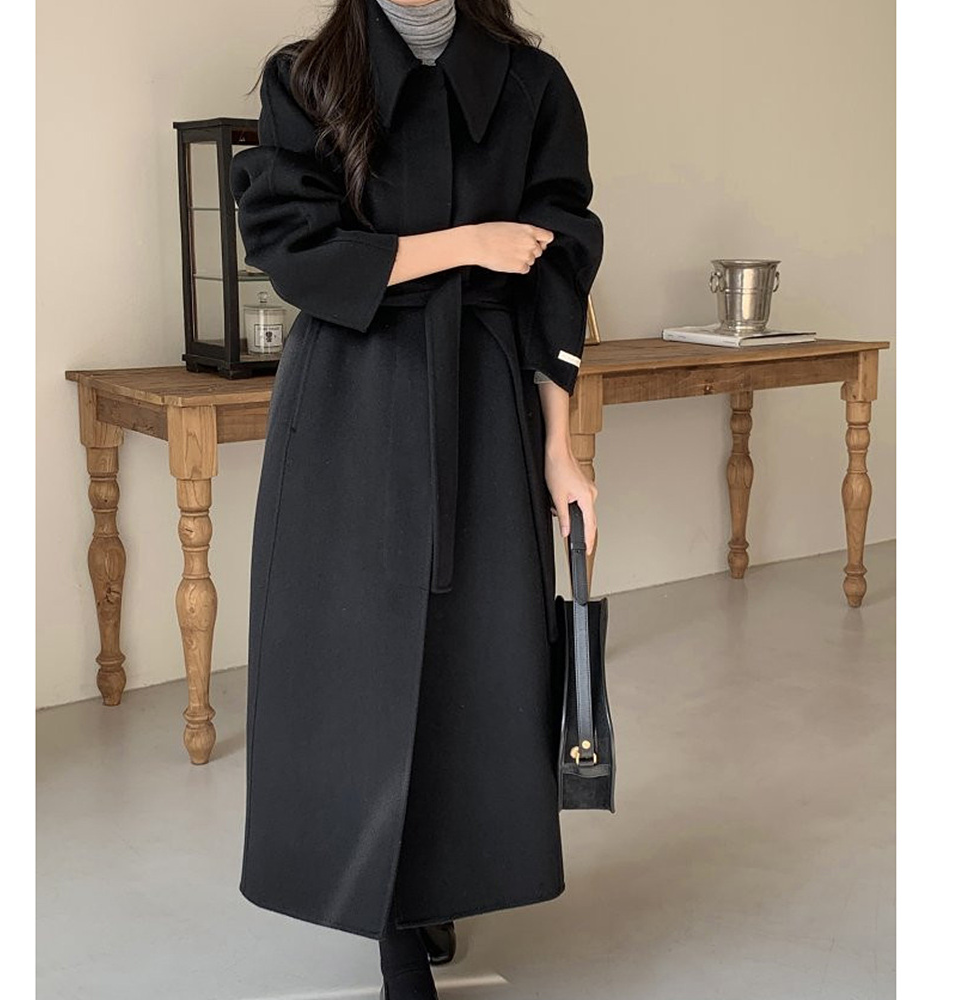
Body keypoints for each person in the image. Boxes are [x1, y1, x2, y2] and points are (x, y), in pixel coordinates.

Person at [229, 1, 604, 996]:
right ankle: (391, 923)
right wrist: (468, 240)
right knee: (354, 658)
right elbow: (291, 244)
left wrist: (561, 449)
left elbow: (556, 274)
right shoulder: (307, 76)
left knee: (475, 658)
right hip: (347, 399)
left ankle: (436, 878)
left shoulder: (531, 84)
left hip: (483, 398)